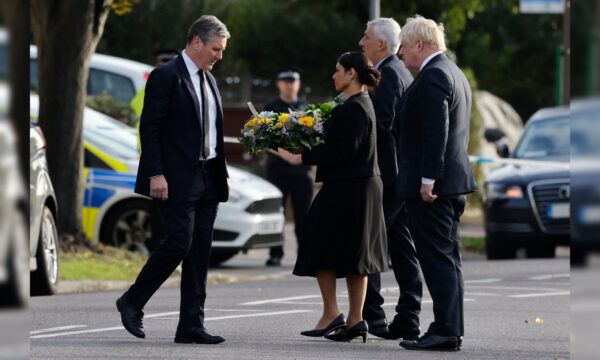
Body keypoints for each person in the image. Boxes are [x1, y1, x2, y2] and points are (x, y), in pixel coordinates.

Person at [116, 15, 231, 345]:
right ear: (196, 42)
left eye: (222, 50)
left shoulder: (209, 79)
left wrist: (220, 172)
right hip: (175, 177)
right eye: (216, 48)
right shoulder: (165, 76)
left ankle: (191, 325)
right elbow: (149, 128)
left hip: (208, 177)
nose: (219, 56)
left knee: (200, 252)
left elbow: (211, 131)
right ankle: (133, 301)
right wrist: (156, 173)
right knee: (179, 242)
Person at [278, 52, 388, 343]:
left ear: (351, 74)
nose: (333, 75)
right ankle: (355, 320)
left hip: (349, 188)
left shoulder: (354, 108)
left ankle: (332, 314)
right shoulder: (361, 104)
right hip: (359, 187)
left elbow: (344, 151)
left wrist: (304, 156)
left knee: (317, 243)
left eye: (338, 70)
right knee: (355, 254)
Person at [395, 15, 477, 351]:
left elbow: (436, 132)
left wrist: (428, 179)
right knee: (447, 257)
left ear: (419, 44)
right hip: (452, 183)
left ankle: (445, 329)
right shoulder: (453, 72)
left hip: (434, 187)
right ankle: (449, 328)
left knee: (437, 258)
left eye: (403, 47)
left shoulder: (433, 77)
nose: (401, 55)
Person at [358, 17, 423, 340]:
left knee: (367, 243)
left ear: (381, 43)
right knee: (400, 246)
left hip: (387, 176)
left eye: (366, 37)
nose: (361, 43)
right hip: (400, 176)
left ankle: (373, 315)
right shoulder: (399, 72)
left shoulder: (387, 75)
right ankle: (407, 316)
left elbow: (379, 126)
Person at [263, 67, 313, 267]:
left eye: (293, 82)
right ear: (279, 84)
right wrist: (286, 155)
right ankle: (276, 252)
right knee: (278, 212)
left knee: (304, 214)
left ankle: (305, 253)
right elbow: (264, 139)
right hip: (278, 168)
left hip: (301, 169)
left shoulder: (305, 107)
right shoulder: (271, 107)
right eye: (286, 82)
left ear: (298, 85)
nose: (290, 85)